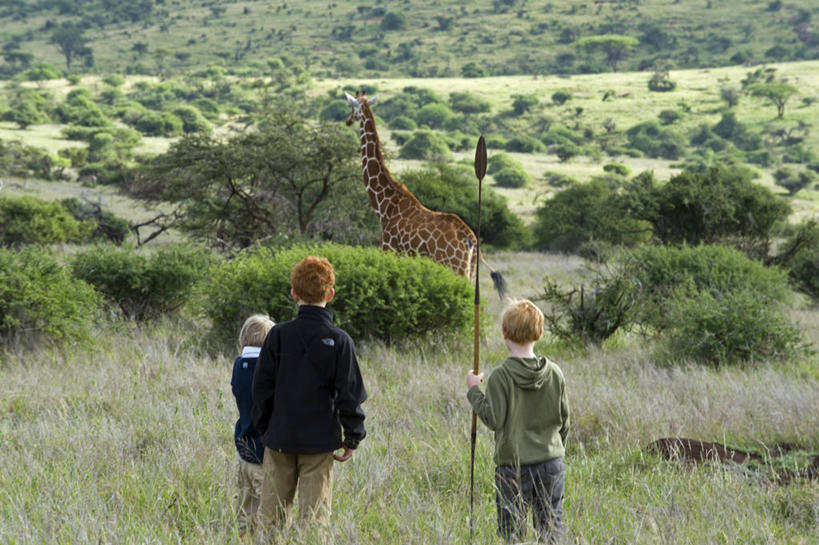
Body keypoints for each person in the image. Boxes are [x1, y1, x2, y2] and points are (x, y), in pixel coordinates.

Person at [252, 256, 367, 538]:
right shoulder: (340, 340)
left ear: (293, 293)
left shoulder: (277, 335)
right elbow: (349, 395)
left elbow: (261, 389)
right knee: (314, 523)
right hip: (319, 444)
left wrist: (265, 428)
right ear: (331, 294)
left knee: (270, 521)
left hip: (279, 440)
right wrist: (352, 436)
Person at [466, 299, 570, 543]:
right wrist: (554, 449)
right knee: (551, 530)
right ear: (540, 332)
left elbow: (493, 418)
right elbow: (565, 422)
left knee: (511, 531)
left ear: (504, 332)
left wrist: (473, 391)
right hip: (551, 463)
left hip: (513, 467)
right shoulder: (555, 372)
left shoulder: (501, 376)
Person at [231, 313, 276, 536]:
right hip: (264, 452)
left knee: (245, 509)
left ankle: (243, 539)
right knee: (268, 511)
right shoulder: (270, 369)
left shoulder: (239, 365)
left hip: (243, 448)